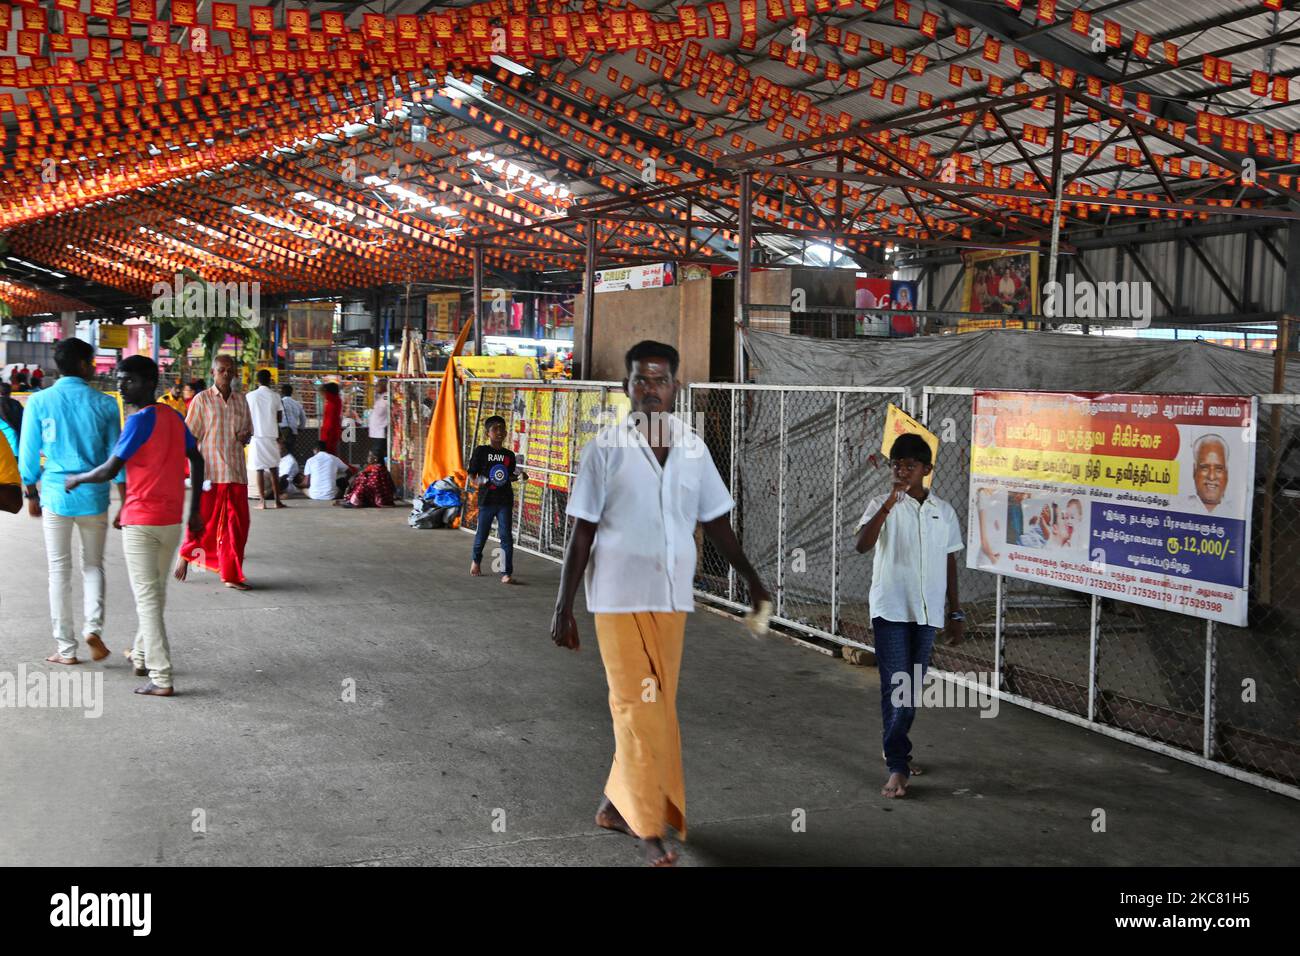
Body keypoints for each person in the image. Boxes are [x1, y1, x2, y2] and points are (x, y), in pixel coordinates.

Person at [550, 340, 771, 867]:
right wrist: (563, 606)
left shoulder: (694, 449)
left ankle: (612, 804)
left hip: (672, 598)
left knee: (657, 710)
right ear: (626, 387)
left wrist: (754, 581)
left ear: (677, 386)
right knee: (635, 708)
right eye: (640, 380)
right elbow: (581, 531)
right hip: (616, 597)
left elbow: (716, 522)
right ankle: (648, 828)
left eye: (660, 380)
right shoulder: (604, 448)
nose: (650, 390)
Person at [65, 356, 206, 697]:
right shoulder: (173, 417)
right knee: (155, 594)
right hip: (170, 520)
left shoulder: (140, 420)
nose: (121, 384)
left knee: (147, 599)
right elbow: (197, 458)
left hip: (142, 521)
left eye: (128, 380)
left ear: (148, 383)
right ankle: (142, 655)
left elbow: (111, 469)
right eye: (120, 378)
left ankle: (161, 676)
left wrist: (77, 478)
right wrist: (194, 511)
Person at [854, 433, 965, 799]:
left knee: (910, 688)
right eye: (896, 465)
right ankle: (898, 766)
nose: (902, 471)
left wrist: (956, 611)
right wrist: (888, 504)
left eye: (910, 466)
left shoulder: (943, 512)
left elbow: (949, 560)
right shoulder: (880, 504)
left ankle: (894, 747)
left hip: (927, 612)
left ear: (926, 470)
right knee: (897, 687)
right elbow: (862, 544)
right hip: (890, 608)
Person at [18, 337, 123, 666]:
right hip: (94, 496)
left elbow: (28, 457)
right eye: (91, 362)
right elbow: (115, 459)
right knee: (93, 566)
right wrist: (124, 497)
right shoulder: (105, 403)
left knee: (58, 571)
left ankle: (66, 648)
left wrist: (31, 493)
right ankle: (93, 627)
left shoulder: (39, 401)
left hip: (55, 495)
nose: (93, 367)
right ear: (81, 364)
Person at [175, 354, 254, 591]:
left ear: (235, 373)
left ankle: (231, 575)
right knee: (202, 521)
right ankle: (186, 554)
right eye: (222, 370)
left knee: (238, 526)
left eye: (230, 370)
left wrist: (244, 437)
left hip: (237, 472)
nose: (226, 374)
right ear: (213, 373)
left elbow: (248, 433)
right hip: (210, 474)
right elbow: (190, 438)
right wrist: (188, 472)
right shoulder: (202, 400)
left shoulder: (242, 400)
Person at [467, 414, 526, 583]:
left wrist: (521, 476)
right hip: (486, 500)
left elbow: (509, 477)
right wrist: (478, 481)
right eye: (495, 429)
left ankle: (506, 573)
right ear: (488, 433)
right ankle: (476, 560)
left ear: (506, 432)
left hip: (505, 501)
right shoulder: (481, 451)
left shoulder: (509, 455)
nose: (499, 432)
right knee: (482, 534)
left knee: (506, 536)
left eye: (502, 429)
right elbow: (472, 475)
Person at [245, 369, 285, 510]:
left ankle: (262, 502)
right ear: (270, 380)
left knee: (259, 470)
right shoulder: (275, 396)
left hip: (256, 437)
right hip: (271, 436)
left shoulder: (250, 396)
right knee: (274, 469)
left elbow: (246, 416)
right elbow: (279, 418)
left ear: (257, 380)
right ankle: (277, 501)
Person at [1185, 434, 1230, 515]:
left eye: (1218, 469)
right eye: (1204, 468)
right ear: (1194, 471)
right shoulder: (1180, 506)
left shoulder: (1234, 510)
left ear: (1226, 473)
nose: (1211, 477)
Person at [319, 381, 343, 455]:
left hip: (329, 432)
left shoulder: (330, 402)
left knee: (328, 453)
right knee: (332, 452)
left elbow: (329, 420)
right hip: (333, 431)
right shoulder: (337, 400)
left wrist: (325, 433)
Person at [280, 382, 305, 447]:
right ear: (291, 392)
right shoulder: (297, 404)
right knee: (291, 450)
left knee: (281, 451)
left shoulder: (280, 402)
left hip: (281, 431)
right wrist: (300, 428)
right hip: (293, 431)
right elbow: (303, 419)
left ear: (282, 392)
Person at [368, 389, 389, 461]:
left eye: (378, 385)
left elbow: (380, 410)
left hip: (380, 430)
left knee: (377, 452)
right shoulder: (381, 396)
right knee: (378, 452)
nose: (377, 387)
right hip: (376, 430)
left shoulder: (386, 396)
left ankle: (376, 468)